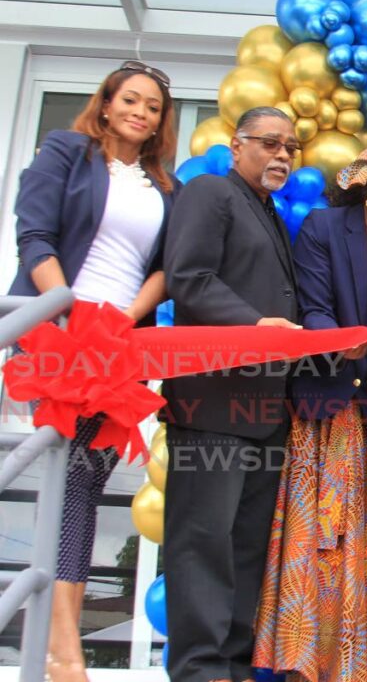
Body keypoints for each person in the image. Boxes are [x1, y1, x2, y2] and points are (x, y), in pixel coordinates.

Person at [8, 60, 178, 682]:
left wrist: (126, 319)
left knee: (85, 481)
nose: (140, 111)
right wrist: (71, 317)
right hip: (59, 332)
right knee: (64, 479)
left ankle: (63, 647)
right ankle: (62, 650)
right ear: (105, 104)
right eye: (129, 99)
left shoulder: (165, 185)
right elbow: (36, 239)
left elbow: (165, 265)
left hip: (120, 342)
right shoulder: (66, 151)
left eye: (153, 106)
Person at [253, 123, 367, 682]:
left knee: (363, 552)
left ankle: (359, 668)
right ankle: (300, 663)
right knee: (310, 547)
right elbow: (313, 308)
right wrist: (343, 343)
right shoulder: (322, 228)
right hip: (313, 412)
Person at [162, 106, 300, 682]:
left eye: (291, 146)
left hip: (265, 411)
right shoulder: (209, 192)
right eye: (270, 143)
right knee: (202, 542)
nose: (282, 155)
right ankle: (199, 670)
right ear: (235, 144)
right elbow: (188, 279)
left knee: (246, 546)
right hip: (212, 401)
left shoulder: (267, 212)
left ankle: (234, 667)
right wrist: (254, 326)